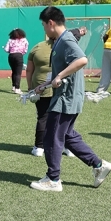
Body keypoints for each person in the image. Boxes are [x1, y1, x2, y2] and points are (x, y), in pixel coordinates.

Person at [30, 6, 111, 192]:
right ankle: (99, 165)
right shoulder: (61, 40)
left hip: (65, 99)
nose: (43, 28)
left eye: (44, 25)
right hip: (68, 97)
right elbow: (64, 68)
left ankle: (53, 179)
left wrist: (59, 78)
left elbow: (81, 60)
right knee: (67, 136)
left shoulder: (66, 39)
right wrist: (44, 84)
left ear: (51, 23)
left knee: (52, 136)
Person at [26, 30, 84, 158]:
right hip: (62, 89)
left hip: (44, 86)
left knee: (43, 117)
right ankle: (66, 147)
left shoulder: (38, 46)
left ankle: (39, 147)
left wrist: (30, 87)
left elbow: (29, 69)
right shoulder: (68, 46)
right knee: (64, 122)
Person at [4, 28, 29, 94]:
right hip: (19, 56)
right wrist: (21, 53)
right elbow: (25, 49)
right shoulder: (24, 40)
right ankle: (17, 88)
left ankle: (14, 86)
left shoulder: (10, 40)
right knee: (18, 73)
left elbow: (6, 49)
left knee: (14, 71)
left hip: (11, 56)